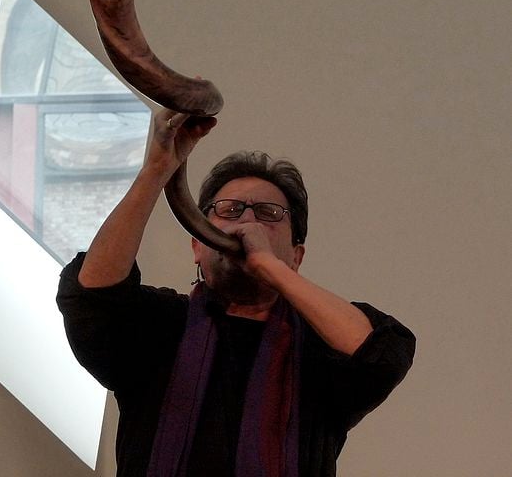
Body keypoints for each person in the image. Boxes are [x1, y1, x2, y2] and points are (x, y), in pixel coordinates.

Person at [57, 109, 415, 477]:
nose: (247, 222)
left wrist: (269, 267)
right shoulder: (160, 325)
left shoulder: (319, 348)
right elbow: (90, 299)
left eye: (268, 213)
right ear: (198, 245)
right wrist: (155, 171)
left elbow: (383, 353)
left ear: (296, 256)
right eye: (229, 210)